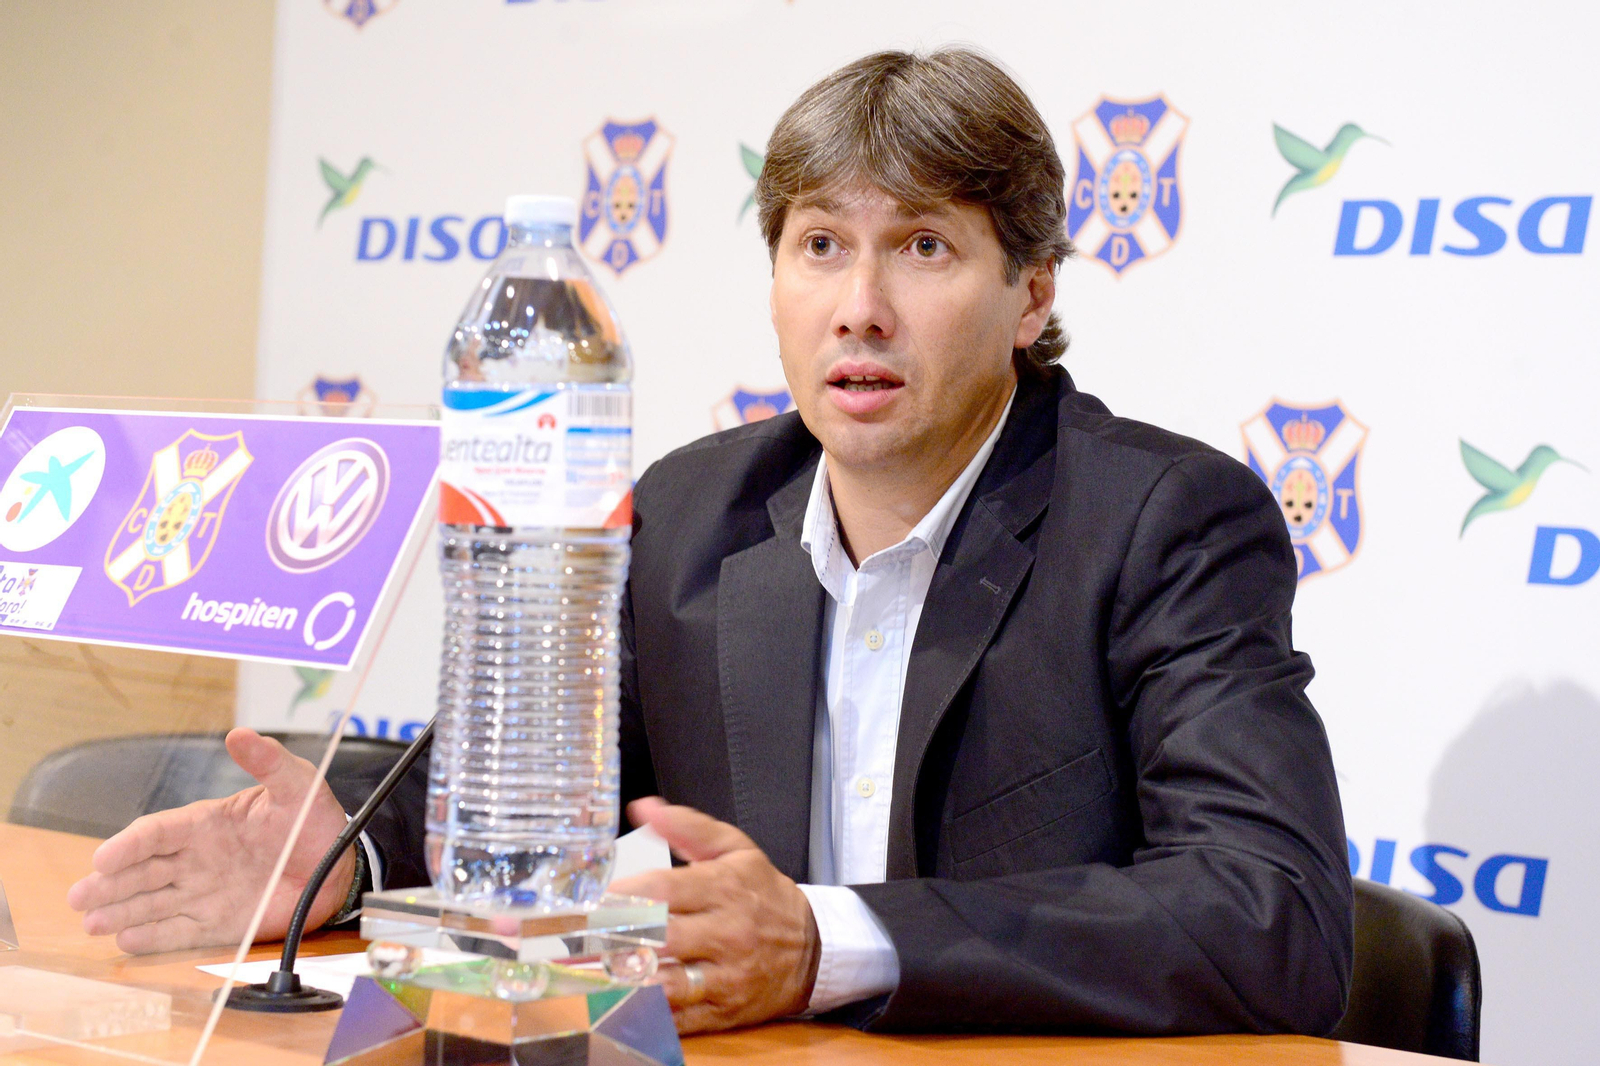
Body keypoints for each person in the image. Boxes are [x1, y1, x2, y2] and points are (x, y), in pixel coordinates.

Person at [68, 48, 1353, 1036]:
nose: (860, 308)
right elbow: (546, 791)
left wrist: (824, 943)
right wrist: (342, 861)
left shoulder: (1161, 524)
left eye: (923, 247)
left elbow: (1272, 916)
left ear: (1031, 293)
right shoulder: (694, 514)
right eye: (820, 246)